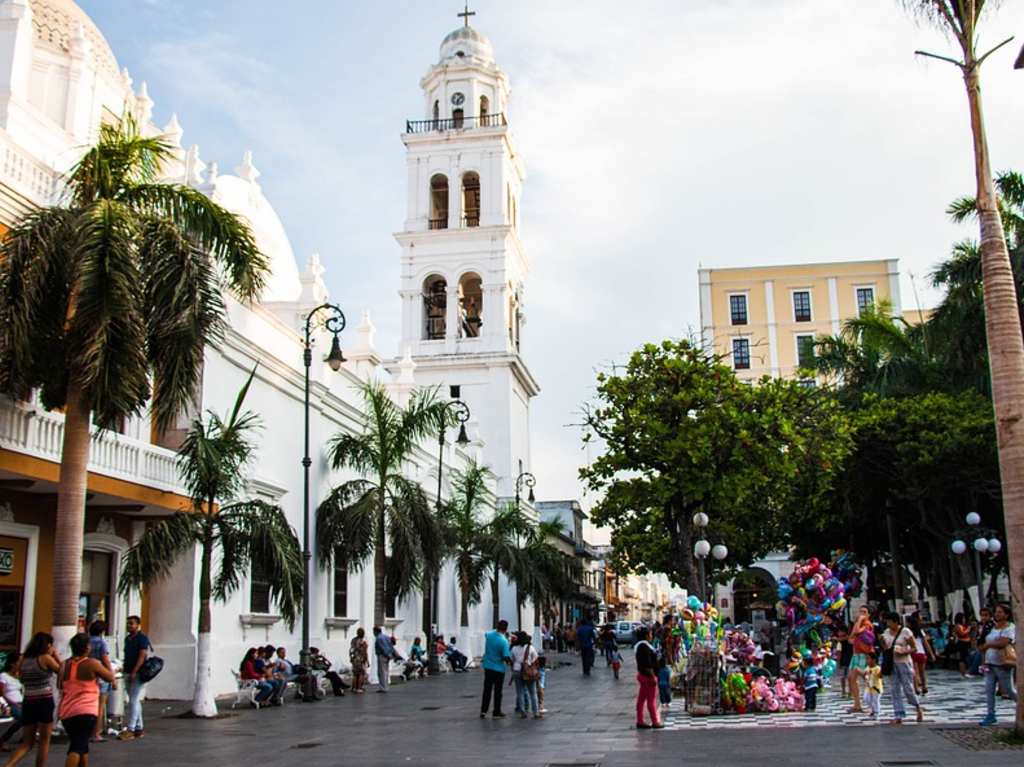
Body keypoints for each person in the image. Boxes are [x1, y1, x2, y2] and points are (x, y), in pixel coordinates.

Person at [59, 632, 116, 767]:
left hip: (67, 711)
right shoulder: (92, 663)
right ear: (87, 648)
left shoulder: (63, 665)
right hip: (86, 710)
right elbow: (109, 677)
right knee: (77, 747)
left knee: (82, 744)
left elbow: (60, 685)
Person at [3, 632, 59, 767]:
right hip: (44, 700)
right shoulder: (45, 658)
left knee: (27, 742)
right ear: (47, 645)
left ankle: (8, 765)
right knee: (45, 740)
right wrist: (56, 656)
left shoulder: (24, 660)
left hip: (28, 700)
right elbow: (61, 671)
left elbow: (21, 678)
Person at [881, 612, 924, 724]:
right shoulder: (886, 632)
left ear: (895, 621)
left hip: (904, 662)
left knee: (908, 687)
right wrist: (882, 643)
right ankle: (898, 714)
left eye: (889, 621)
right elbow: (886, 648)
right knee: (894, 689)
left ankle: (917, 707)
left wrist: (904, 651)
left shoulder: (906, 632)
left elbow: (914, 648)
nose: (888, 623)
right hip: (892, 663)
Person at [978, 602, 1017, 726]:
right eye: (996, 612)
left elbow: (1004, 642)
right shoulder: (992, 627)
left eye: (1000, 612)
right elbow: (983, 642)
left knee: (1009, 689)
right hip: (990, 662)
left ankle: (1021, 705)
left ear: (1006, 614)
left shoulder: (1010, 627)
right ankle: (990, 714)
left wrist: (989, 644)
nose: (997, 614)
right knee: (989, 690)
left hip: (1003, 663)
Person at [121, 615, 151, 739]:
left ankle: (131, 729)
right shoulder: (128, 639)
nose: (129, 626)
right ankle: (139, 727)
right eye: (128, 623)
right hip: (127, 671)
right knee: (134, 700)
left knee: (133, 701)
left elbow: (142, 655)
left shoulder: (142, 638)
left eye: (131, 623)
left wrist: (134, 671)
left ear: (137, 625)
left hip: (137, 673)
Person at [87, 620, 115, 743]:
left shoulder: (86, 641)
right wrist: (112, 676)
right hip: (101, 676)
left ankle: (88, 731)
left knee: (88, 704)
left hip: (88, 675)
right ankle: (95, 733)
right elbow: (106, 660)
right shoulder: (101, 642)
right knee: (99, 706)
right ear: (102, 631)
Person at [480, 620, 511, 719]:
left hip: (488, 666)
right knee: (498, 691)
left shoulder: (489, 635)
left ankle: (483, 711)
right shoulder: (504, 641)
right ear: (506, 629)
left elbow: (486, 634)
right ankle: (496, 711)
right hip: (498, 669)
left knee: (487, 689)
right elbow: (506, 656)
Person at [633, 626, 662, 729]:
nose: (651, 636)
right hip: (647, 676)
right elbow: (647, 663)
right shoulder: (644, 647)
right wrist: (653, 676)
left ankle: (640, 720)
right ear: (646, 635)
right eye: (650, 634)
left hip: (643, 675)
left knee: (641, 700)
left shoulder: (641, 646)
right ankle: (655, 721)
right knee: (651, 700)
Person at [847, 605, 873, 713]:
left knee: (866, 678)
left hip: (863, 654)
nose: (862, 613)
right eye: (860, 611)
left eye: (864, 612)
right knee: (851, 678)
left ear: (868, 615)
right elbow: (851, 637)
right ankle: (857, 704)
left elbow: (857, 632)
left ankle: (872, 702)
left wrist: (861, 620)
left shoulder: (867, 625)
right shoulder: (858, 623)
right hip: (856, 654)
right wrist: (858, 622)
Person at [510, 631, 540, 719]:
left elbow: (512, 660)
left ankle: (523, 712)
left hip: (517, 670)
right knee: (533, 693)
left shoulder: (514, 648)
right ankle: (536, 712)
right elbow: (536, 659)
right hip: (528, 672)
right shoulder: (530, 648)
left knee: (520, 692)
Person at [906, 614, 934, 696]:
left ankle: (916, 688)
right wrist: (931, 654)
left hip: (912, 652)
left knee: (914, 671)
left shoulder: (908, 632)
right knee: (922, 672)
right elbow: (926, 644)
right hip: (921, 653)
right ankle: (924, 687)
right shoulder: (920, 631)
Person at [0, 655, 23, 749]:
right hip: (10, 704)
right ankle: (3, 739)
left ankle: (26, 737)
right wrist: (13, 703)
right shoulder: (3, 676)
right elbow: (2, 693)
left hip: (20, 703)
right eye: (19, 662)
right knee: (23, 718)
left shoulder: (18, 676)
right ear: (12, 664)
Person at [373, 626, 401, 693]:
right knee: (386, 671)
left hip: (382, 656)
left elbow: (383, 648)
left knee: (381, 672)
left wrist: (387, 655)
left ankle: (383, 687)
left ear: (376, 631)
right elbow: (391, 646)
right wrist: (392, 655)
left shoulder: (378, 638)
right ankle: (386, 686)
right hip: (387, 656)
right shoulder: (386, 637)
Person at [862, 652, 883, 719]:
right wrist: (864, 675)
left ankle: (876, 712)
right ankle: (873, 709)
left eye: (868, 659)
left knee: (875, 700)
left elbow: (880, 676)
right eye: (866, 659)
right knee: (866, 698)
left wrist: (880, 672)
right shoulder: (867, 667)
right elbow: (864, 675)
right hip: (868, 687)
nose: (867, 660)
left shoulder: (877, 668)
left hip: (876, 688)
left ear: (873, 660)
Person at [953, 612, 972, 677]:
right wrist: (968, 630)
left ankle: (965, 672)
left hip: (966, 642)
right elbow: (962, 634)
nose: (964, 620)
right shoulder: (958, 626)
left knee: (965, 658)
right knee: (962, 658)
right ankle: (963, 673)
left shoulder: (962, 626)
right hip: (962, 643)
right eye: (963, 618)